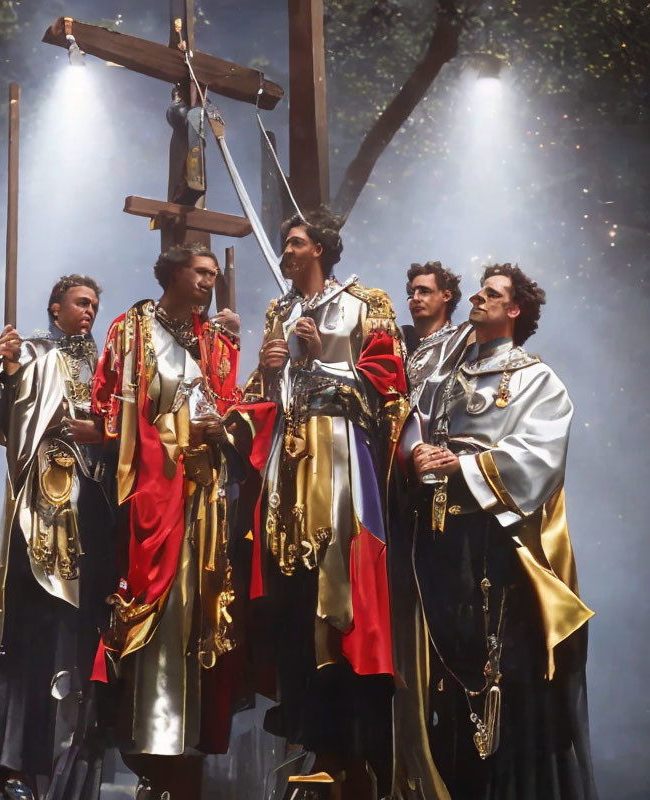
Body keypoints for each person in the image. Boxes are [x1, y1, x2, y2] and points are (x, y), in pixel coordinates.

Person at [397, 264, 598, 800]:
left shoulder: (537, 379)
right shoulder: (443, 376)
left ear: (514, 311)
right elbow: (412, 426)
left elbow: (540, 459)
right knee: (433, 684)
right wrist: (415, 453)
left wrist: (462, 464)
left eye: (492, 294)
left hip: (493, 551)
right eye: (480, 291)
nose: (478, 299)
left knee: (497, 683)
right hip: (434, 545)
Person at [239, 208, 408, 799]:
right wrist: (266, 369)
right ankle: (308, 733)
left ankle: (345, 746)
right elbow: (265, 396)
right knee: (290, 586)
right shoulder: (278, 312)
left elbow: (390, 389)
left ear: (320, 250)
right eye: (285, 242)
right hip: (288, 459)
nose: (285, 250)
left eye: (294, 241)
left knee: (335, 589)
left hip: (339, 456)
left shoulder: (366, 303)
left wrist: (323, 361)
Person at [90, 243, 242, 800]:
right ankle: (145, 743)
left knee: (197, 607)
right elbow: (109, 404)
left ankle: (186, 746)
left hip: (202, 496)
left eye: (212, 274)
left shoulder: (217, 341)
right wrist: (171, 440)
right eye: (199, 272)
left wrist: (221, 428)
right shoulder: (131, 330)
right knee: (147, 605)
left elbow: (230, 406)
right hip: (151, 489)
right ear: (173, 272)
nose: (208, 281)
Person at [0, 275, 117, 800]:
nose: (90, 310)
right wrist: (7, 369)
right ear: (55, 308)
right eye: (80, 301)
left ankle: (73, 769)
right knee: (34, 633)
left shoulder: (107, 364)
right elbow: (0, 413)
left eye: (94, 303)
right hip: (44, 508)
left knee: (84, 630)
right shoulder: (32, 351)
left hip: (94, 508)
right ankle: (15, 762)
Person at [403, 261, 468, 402]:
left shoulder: (463, 340)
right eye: (411, 293)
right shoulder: (399, 341)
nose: (415, 298)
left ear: (446, 296)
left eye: (424, 291)